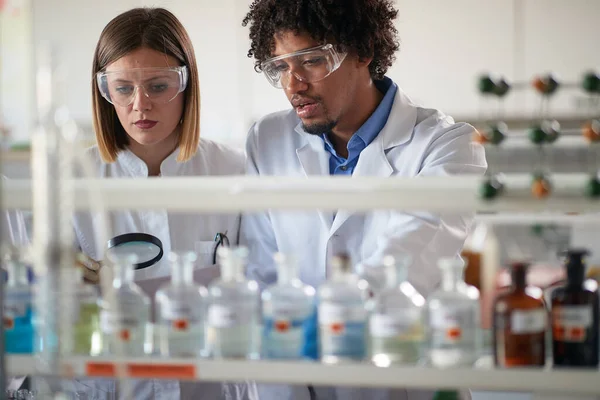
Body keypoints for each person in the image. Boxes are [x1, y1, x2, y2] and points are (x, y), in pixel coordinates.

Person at [240, 0, 486, 399]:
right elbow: (263, 269)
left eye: (312, 61)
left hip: (402, 381)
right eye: (280, 67)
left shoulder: (446, 144)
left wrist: (325, 319)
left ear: (363, 50)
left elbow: (406, 257)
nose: (293, 84)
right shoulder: (266, 140)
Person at [71, 7, 251, 400]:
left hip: (209, 386)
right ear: (104, 92)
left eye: (158, 86)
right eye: (122, 88)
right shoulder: (71, 181)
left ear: (187, 85)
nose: (140, 105)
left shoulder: (233, 171)